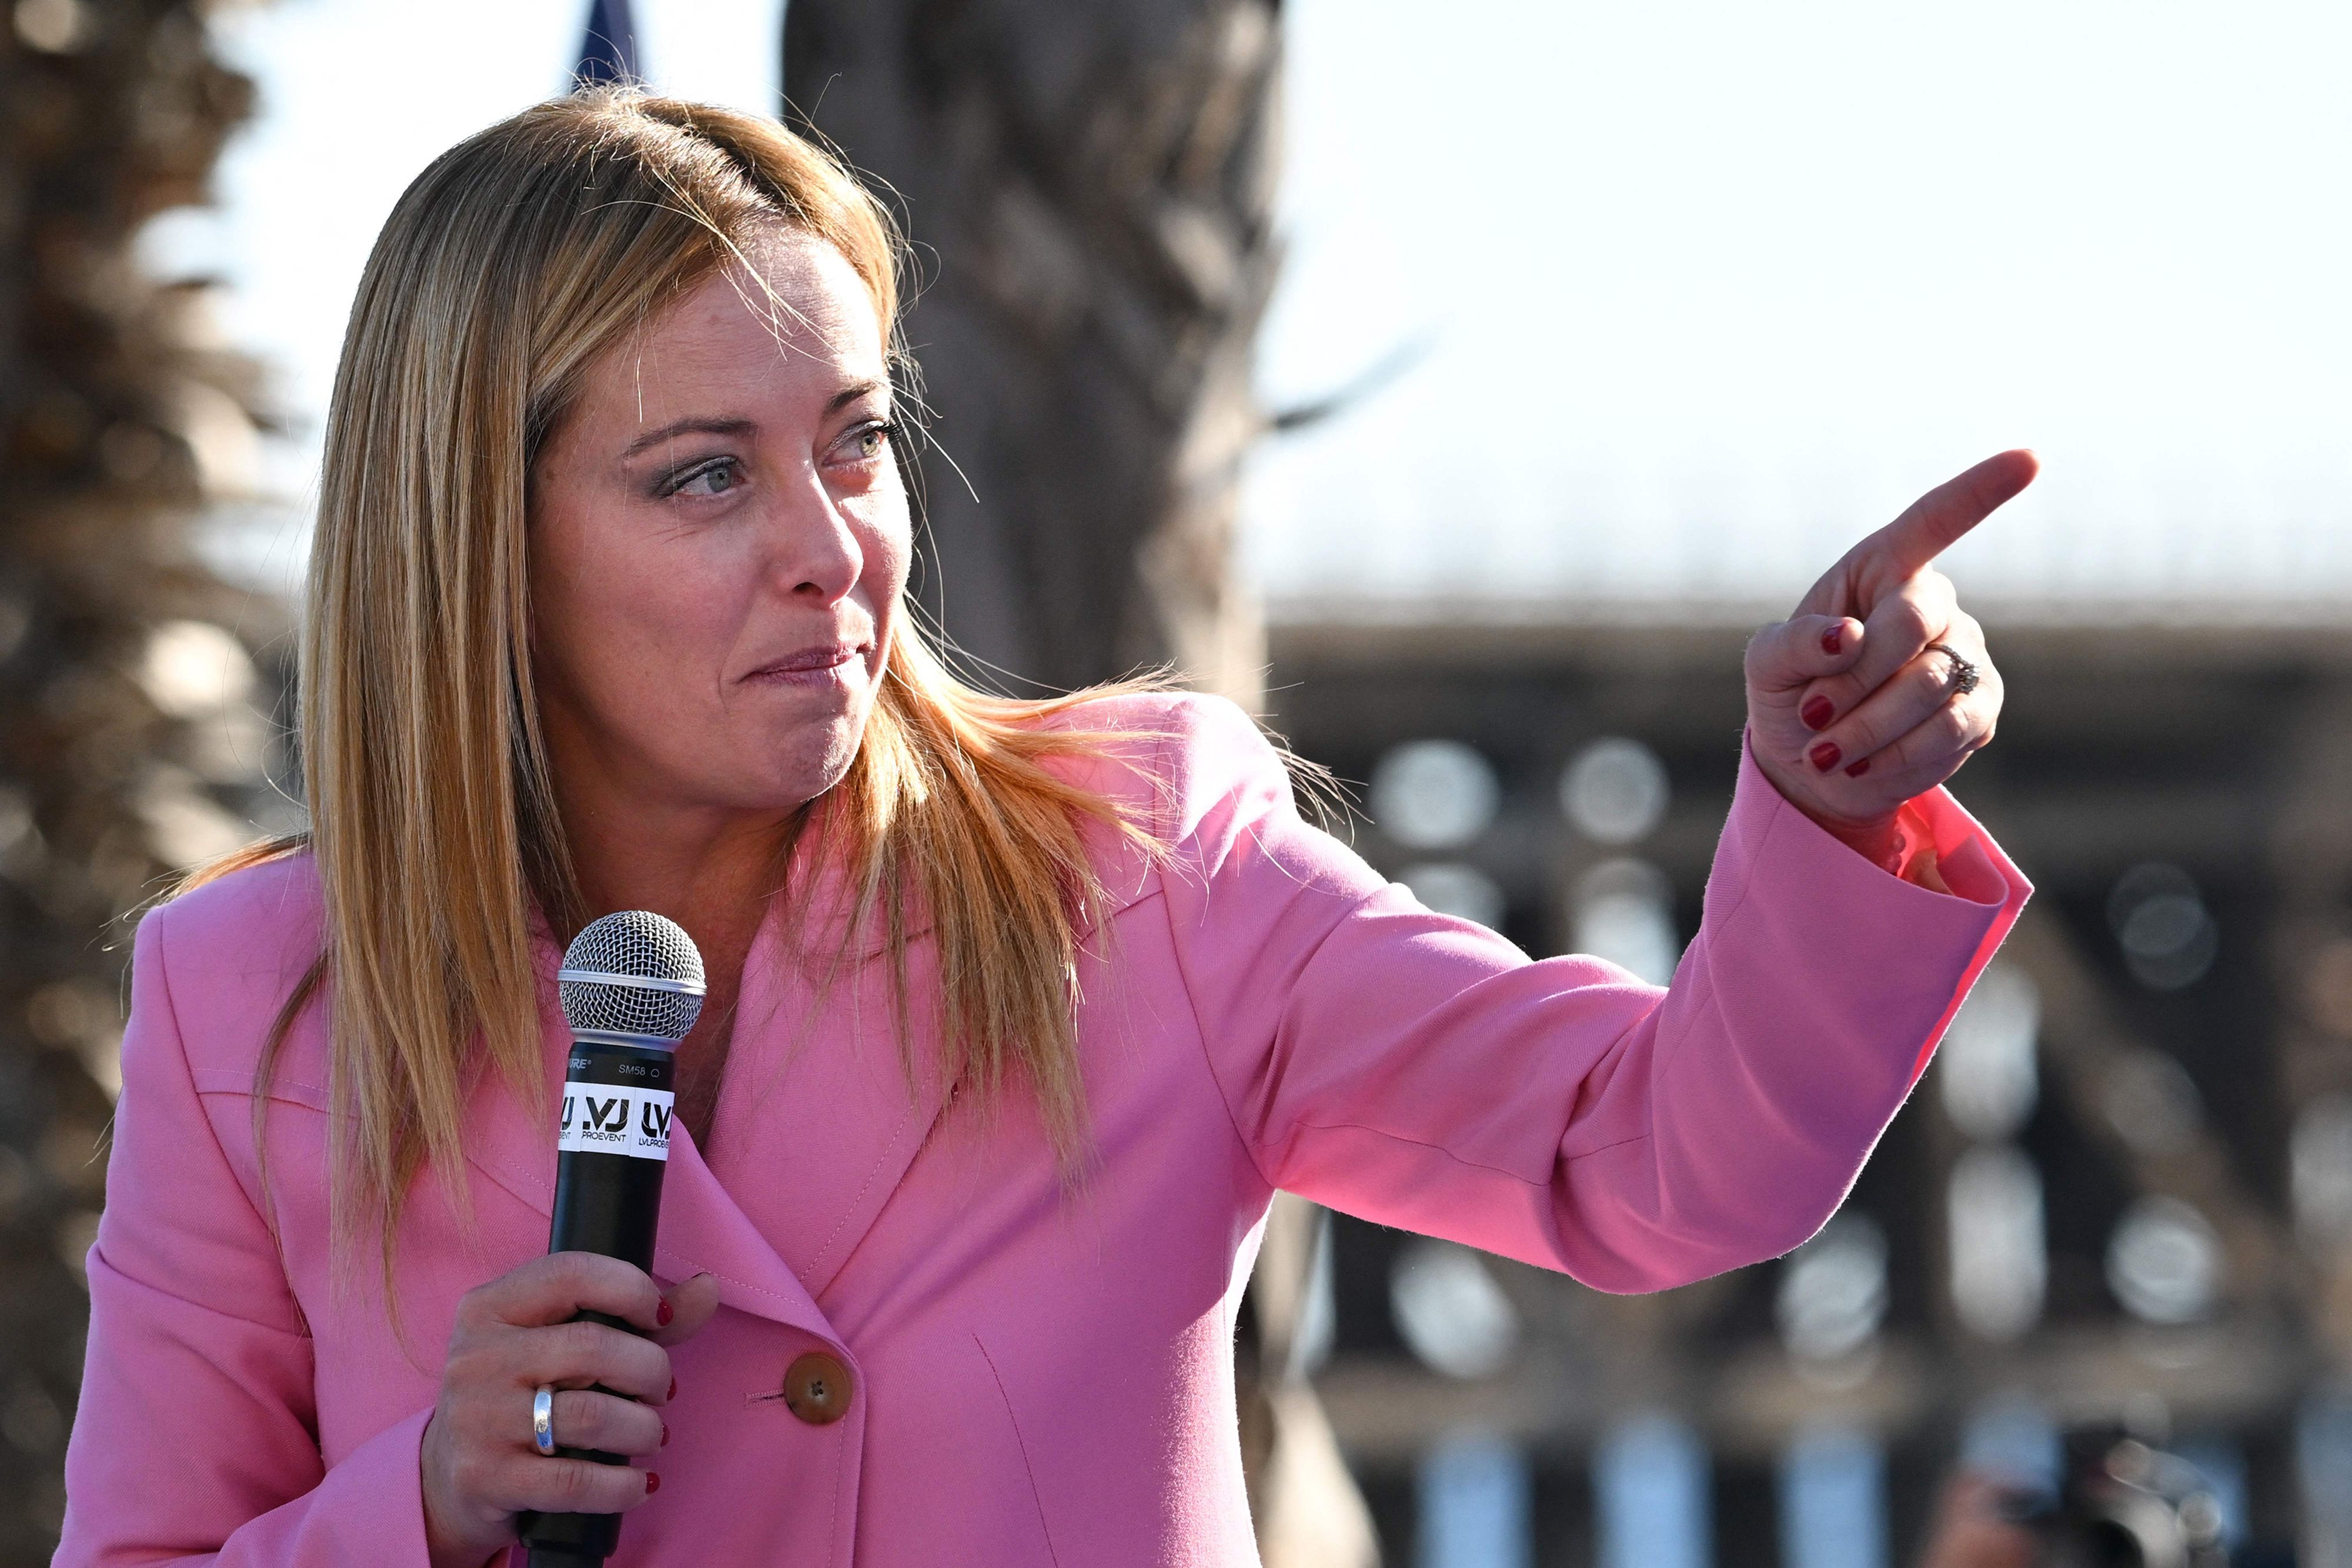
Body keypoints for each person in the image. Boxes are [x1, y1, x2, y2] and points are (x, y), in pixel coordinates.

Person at [55, 88, 2032, 1566]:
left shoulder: (1141, 864)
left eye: (852, 441)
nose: (831, 549)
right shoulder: (249, 1007)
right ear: (482, 540)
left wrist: (1830, 804)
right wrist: (411, 1505)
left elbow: (1667, 1159)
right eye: (698, 479)